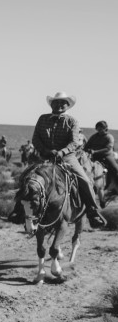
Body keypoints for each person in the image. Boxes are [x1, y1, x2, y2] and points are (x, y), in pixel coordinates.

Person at [30, 91, 105, 228]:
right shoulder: (42, 119)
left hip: (67, 158)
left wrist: (61, 152)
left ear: (67, 106)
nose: (59, 105)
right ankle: (20, 211)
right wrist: (46, 151)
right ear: (51, 104)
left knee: (85, 180)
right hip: (45, 156)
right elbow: (36, 138)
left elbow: (74, 142)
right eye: (56, 102)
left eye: (63, 103)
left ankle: (91, 211)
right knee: (27, 179)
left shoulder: (72, 121)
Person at [85, 120, 118, 185]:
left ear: (105, 128)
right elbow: (87, 145)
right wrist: (87, 150)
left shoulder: (109, 137)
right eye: (98, 128)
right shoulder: (94, 136)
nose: (99, 129)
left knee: (115, 169)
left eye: (101, 128)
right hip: (94, 156)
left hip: (106, 156)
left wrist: (95, 151)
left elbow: (108, 148)